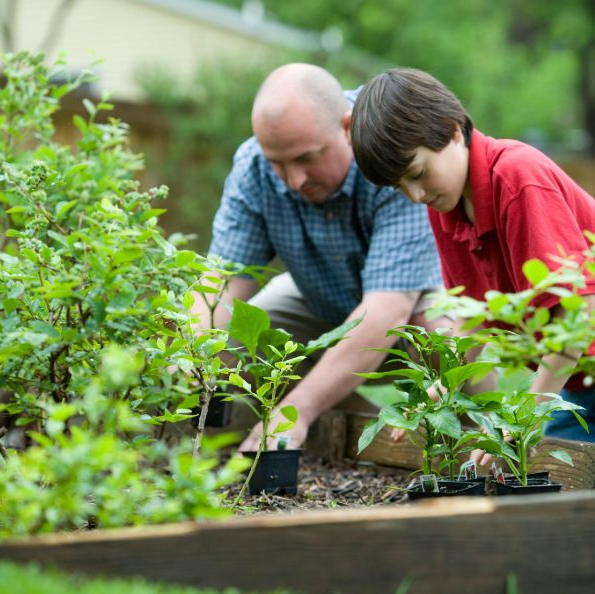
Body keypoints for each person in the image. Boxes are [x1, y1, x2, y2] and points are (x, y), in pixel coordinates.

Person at [193, 63, 444, 452]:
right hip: (319, 299)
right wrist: (190, 352)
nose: (294, 180)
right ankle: (364, 437)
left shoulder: (389, 145)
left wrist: (297, 410)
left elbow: (387, 311)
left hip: (413, 300)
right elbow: (220, 286)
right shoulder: (254, 167)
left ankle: (473, 444)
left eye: (306, 158)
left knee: (445, 336)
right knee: (242, 338)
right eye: (279, 163)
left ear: (346, 127)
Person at [350, 66, 595, 444]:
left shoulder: (516, 177)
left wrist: (523, 415)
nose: (414, 195)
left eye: (417, 173)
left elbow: (577, 313)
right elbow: (473, 319)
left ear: (452, 130)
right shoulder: (443, 207)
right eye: (399, 187)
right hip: (579, 382)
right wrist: (440, 392)